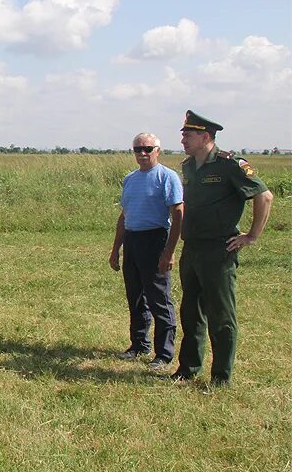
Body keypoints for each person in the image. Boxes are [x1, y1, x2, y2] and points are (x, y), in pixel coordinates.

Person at [172, 111, 273, 386]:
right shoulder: (189, 165)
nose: (183, 140)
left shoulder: (233, 165)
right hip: (191, 247)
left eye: (188, 135)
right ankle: (188, 368)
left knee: (221, 315)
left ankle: (221, 377)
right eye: (183, 135)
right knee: (191, 311)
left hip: (219, 250)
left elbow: (264, 195)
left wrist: (252, 236)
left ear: (205, 136)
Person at [109, 133, 182, 371]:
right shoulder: (130, 179)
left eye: (147, 149)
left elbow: (178, 215)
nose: (142, 153)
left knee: (158, 298)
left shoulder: (167, 177)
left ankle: (164, 353)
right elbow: (124, 216)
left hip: (155, 238)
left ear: (158, 150)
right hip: (132, 238)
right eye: (138, 149)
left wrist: (169, 251)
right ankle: (139, 344)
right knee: (135, 296)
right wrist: (116, 249)